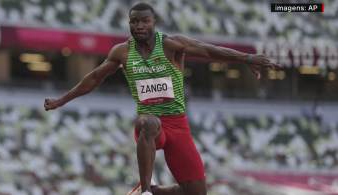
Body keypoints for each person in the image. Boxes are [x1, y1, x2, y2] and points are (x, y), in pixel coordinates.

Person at [44, 2, 279, 195]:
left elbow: (209, 50)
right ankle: (145, 190)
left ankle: (153, 191)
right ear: (129, 24)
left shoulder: (171, 45)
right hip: (150, 125)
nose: (139, 26)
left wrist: (246, 58)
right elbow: (94, 77)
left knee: (195, 192)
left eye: (144, 21)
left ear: (153, 22)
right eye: (134, 22)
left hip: (178, 124)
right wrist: (61, 101)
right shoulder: (122, 52)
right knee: (148, 122)